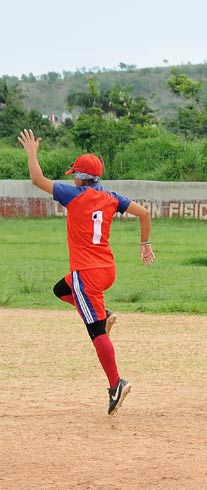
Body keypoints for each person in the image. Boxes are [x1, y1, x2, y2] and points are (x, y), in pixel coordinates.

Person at [18, 129, 154, 416]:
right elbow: (144, 213)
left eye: (74, 174)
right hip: (107, 269)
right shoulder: (110, 197)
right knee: (61, 290)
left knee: (95, 332)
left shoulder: (73, 194)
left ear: (80, 177)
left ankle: (117, 383)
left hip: (87, 273)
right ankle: (102, 315)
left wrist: (32, 153)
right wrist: (145, 243)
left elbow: (37, 180)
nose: (72, 179)